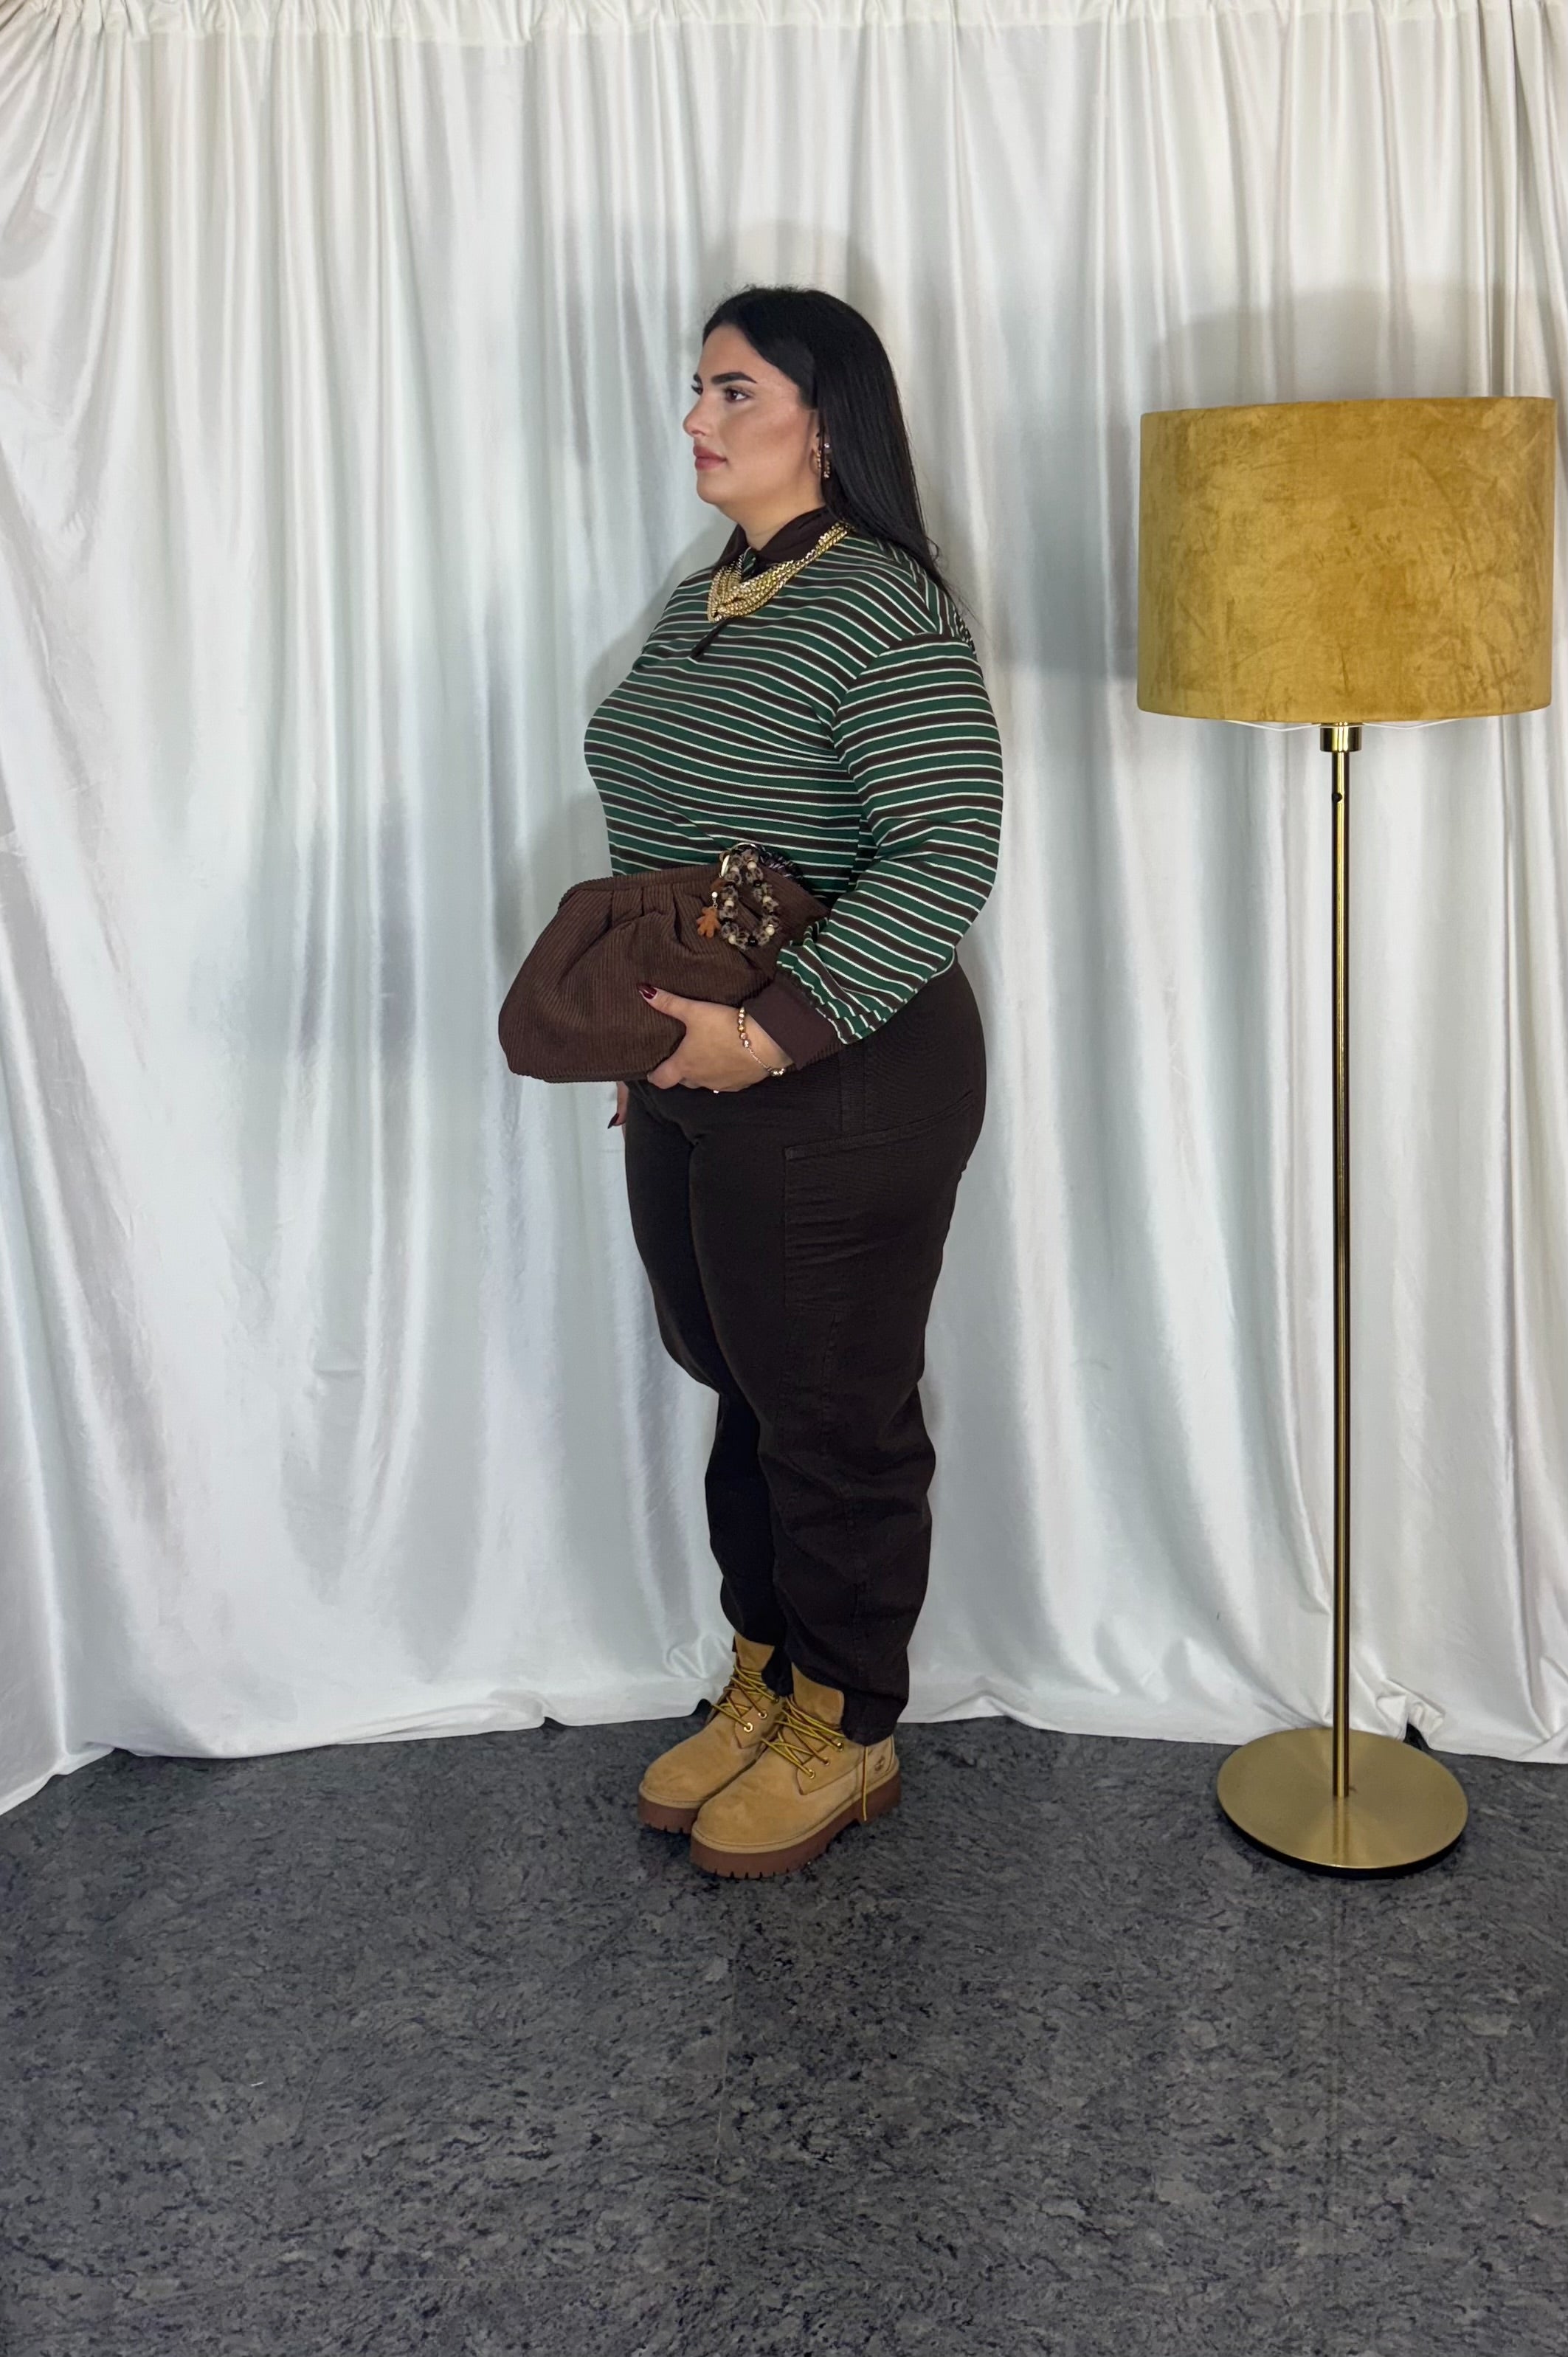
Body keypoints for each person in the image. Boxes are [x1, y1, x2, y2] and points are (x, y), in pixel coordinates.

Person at [583, 284, 1004, 1878]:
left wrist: (762, 1036)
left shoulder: (881, 605)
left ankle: (848, 1720)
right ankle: (763, 1672)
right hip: (689, 1070)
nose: (696, 418)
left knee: (830, 1409)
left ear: (827, 421)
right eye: (696, 388)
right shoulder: (713, 592)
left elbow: (945, 850)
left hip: (843, 1077)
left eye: (734, 391)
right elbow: (668, 836)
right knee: (741, 1377)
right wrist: (651, 1043)